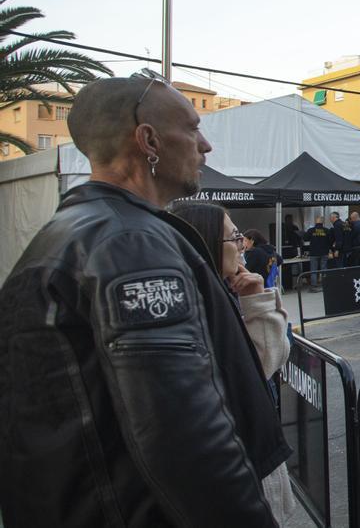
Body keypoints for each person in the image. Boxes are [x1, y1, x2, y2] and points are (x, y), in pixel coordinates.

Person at [0, 72, 290, 525]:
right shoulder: (129, 242)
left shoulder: (74, 231)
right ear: (148, 140)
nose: (205, 145)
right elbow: (181, 433)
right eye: (192, 128)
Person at [170, 202, 295, 521]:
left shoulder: (222, 293)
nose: (242, 245)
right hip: (241, 471)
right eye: (234, 237)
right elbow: (264, 364)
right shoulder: (202, 307)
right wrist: (257, 301)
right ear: (207, 242)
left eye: (241, 236)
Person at [305, 215, 333, 290]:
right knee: (324, 269)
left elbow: (305, 238)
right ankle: (325, 284)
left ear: (315, 221)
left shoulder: (311, 230)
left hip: (314, 252)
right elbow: (330, 241)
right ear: (323, 222)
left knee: (313, 270)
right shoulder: (327, 230)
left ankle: (314, 285)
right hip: (324, 252)